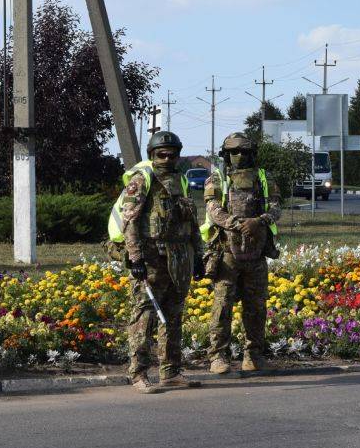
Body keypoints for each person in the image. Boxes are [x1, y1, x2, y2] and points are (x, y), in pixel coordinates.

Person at [116, 131, 205, 393]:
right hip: (152, 258)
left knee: (173, 316)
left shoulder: (181, 180)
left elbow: (192, 222)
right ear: (152, 155)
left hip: (179, 258)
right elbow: (129, 221)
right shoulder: (142, 179)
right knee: (144, 316)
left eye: (172, 154)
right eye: (161, 154)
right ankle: (139, 373)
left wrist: (198, 256)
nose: (167, 158)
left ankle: (171, 372)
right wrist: (136, 259)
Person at [201, 132, 281, 375]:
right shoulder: (217, 179)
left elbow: (276, 207)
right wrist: (239, 224)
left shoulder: (264, 178)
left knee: (256, 308)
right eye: (234, 152)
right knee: (222, 307)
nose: (239, 156)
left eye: (244, 152)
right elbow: (214, 210)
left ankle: (253, 355)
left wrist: (259, 221)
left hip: (256, 255)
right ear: (226, 154)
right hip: (227, 254)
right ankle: (218, 357)